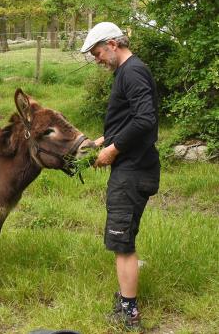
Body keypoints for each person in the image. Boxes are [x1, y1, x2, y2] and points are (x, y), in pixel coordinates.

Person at [80, 22, 160, 330]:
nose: (96, 59)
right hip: (133, 166)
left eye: (98, 53)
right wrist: (100, 142)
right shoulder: (124, 73)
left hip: (134, 169)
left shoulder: (133, 72)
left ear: (113, 44)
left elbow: (145, 120)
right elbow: (129, 118)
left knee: (122, 242)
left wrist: (112, 150)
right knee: (123, 237)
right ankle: (126, 299)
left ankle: (129, 313)